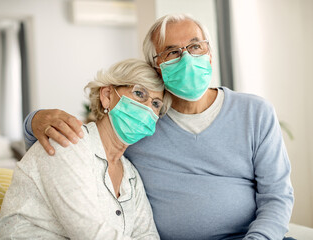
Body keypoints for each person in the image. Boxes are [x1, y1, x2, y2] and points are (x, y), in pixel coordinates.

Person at [23, 14, 294, 240]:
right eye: (172, 52)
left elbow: (277, 196)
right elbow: (76, 149)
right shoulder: (144, 124)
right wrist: (33, 121)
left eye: (195, 46)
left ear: (209, 54)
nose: (186, 58)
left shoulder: (255, 112)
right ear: (157, 66)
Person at [0, 59, 171, 239]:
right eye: (139, 93)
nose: (147, 107)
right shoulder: (68, 141)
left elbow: (147, 234)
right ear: (107, 95)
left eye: (156, 104)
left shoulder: (131, 175)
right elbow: (91, 234)